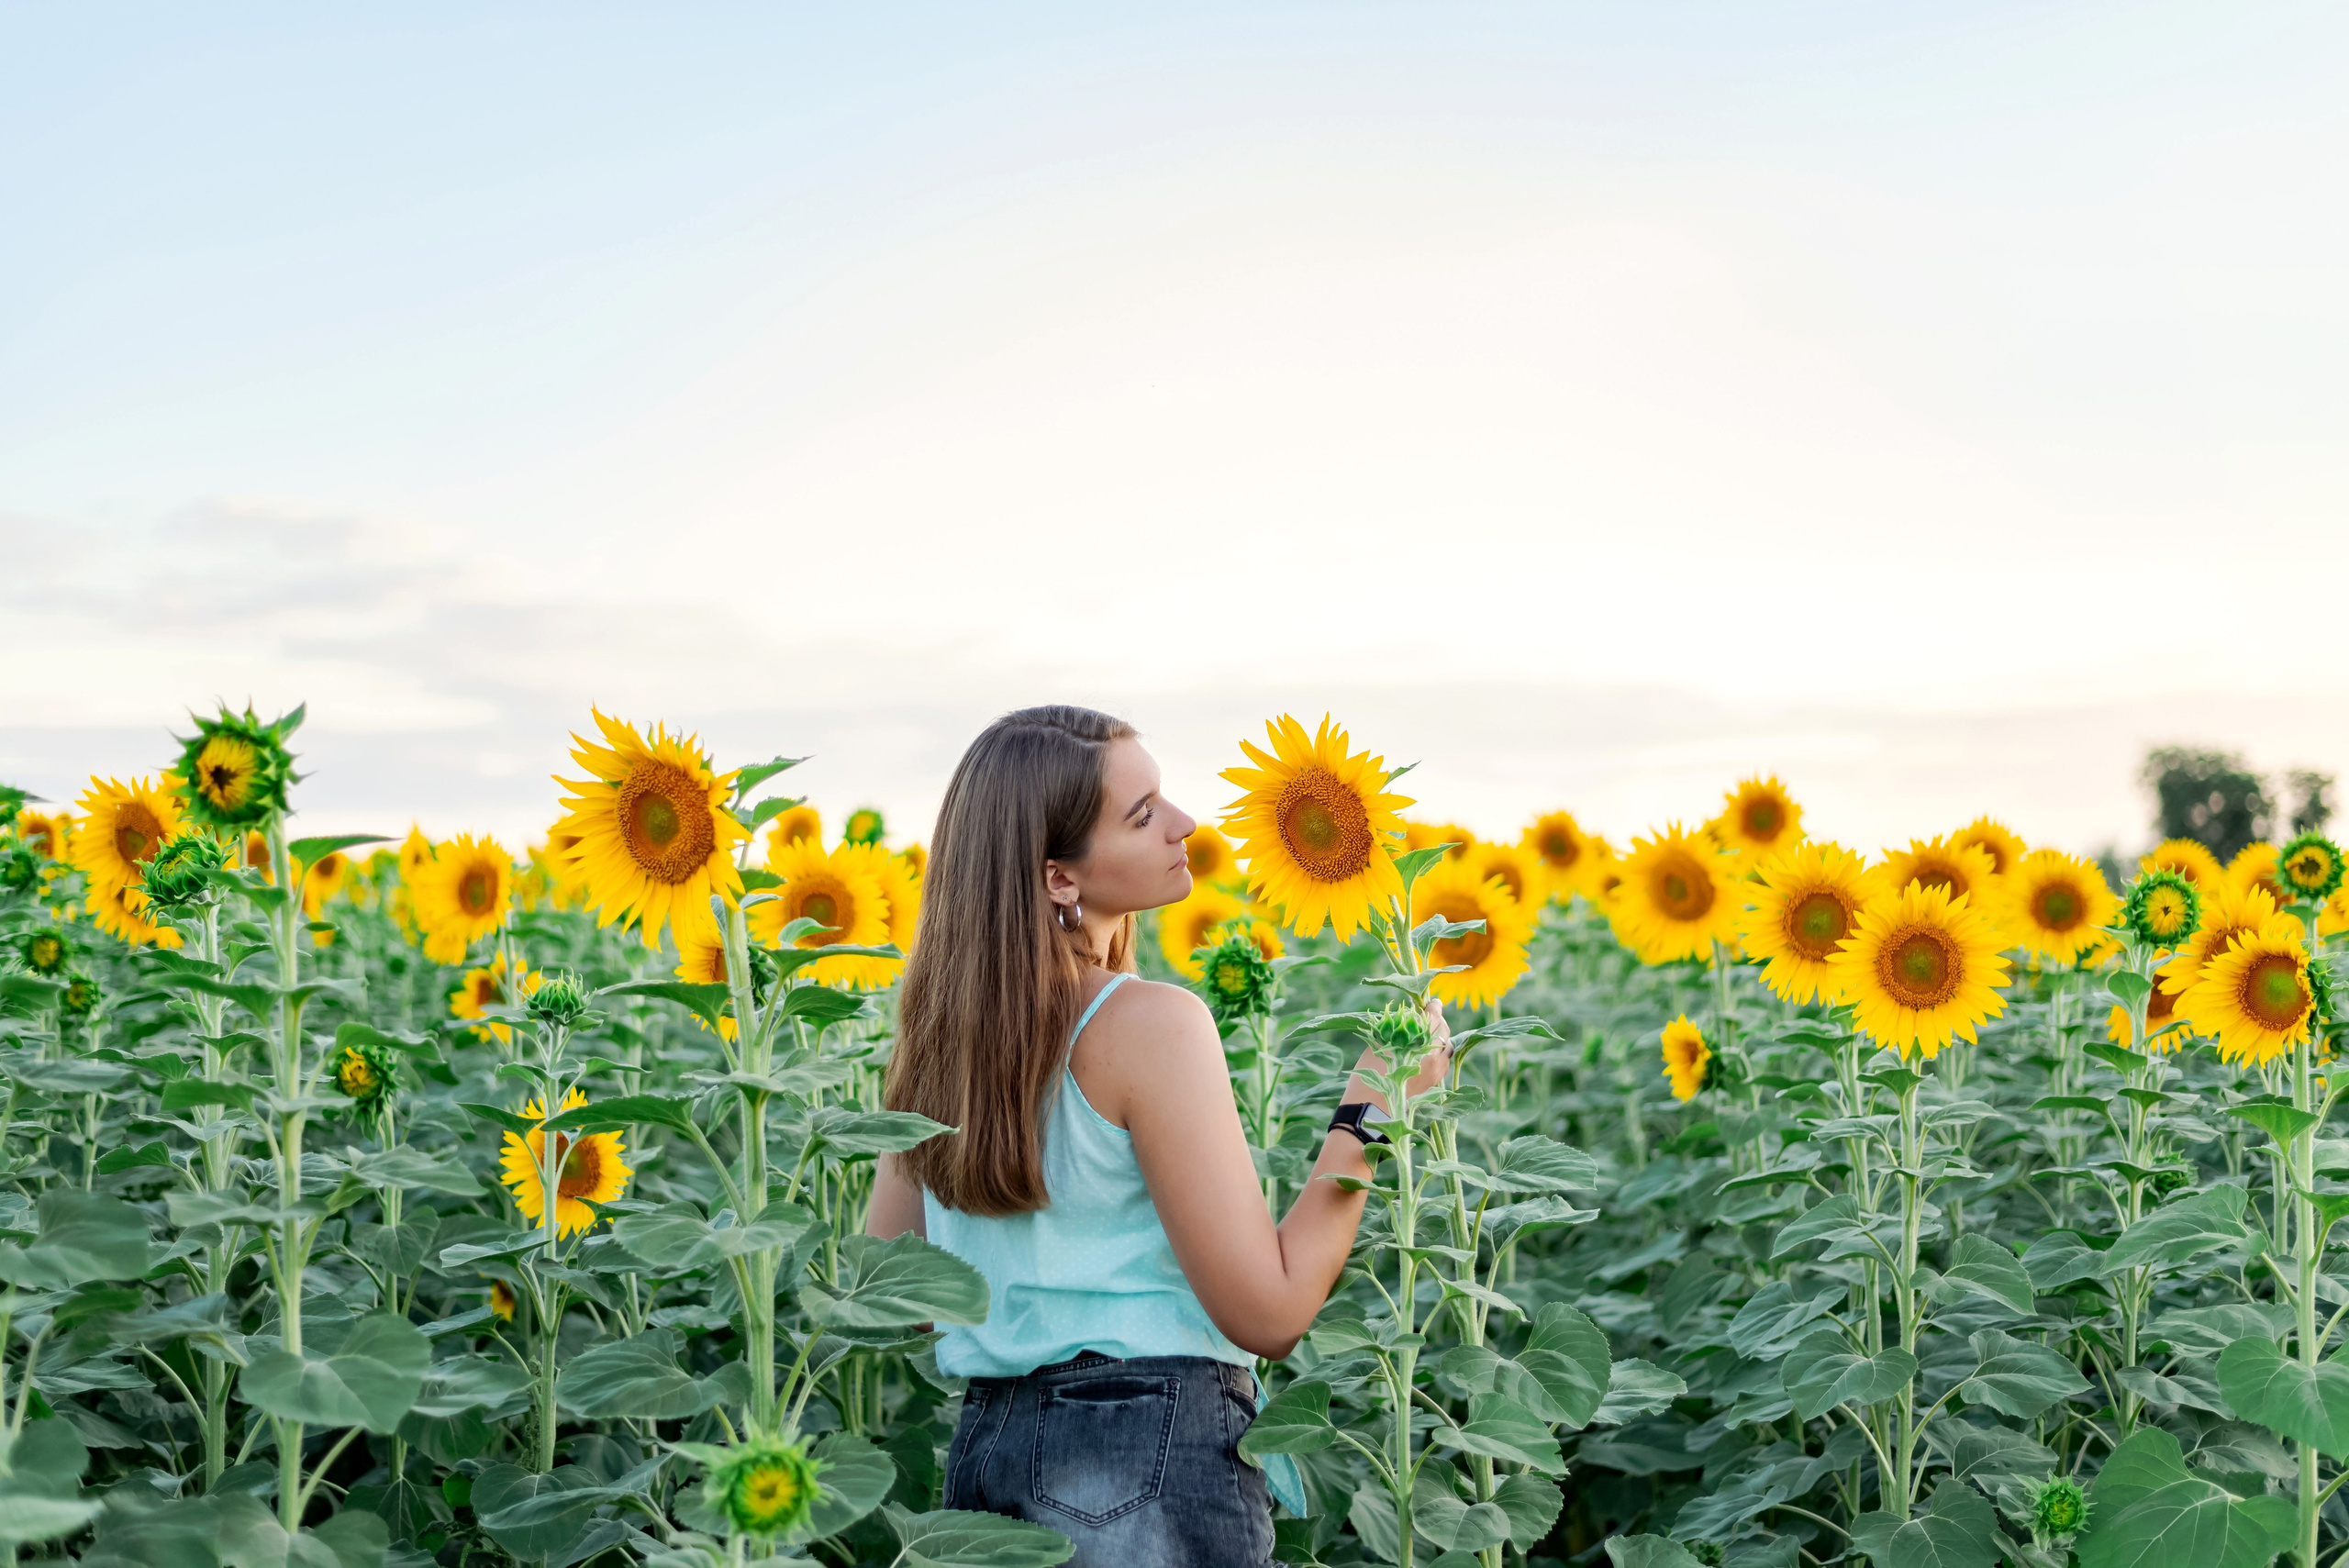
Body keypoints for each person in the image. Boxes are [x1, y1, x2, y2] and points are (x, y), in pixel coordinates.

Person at [867, 705, 1452, 1566]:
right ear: (1059, 877)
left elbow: (897, 1296)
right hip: (1150, 1455)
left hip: (988, 1456)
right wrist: (1374, 1105)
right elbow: (1271, 1312)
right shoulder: (1148, 1024)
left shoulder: (939, 1041)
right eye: (1142, 815)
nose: (1185, 825)